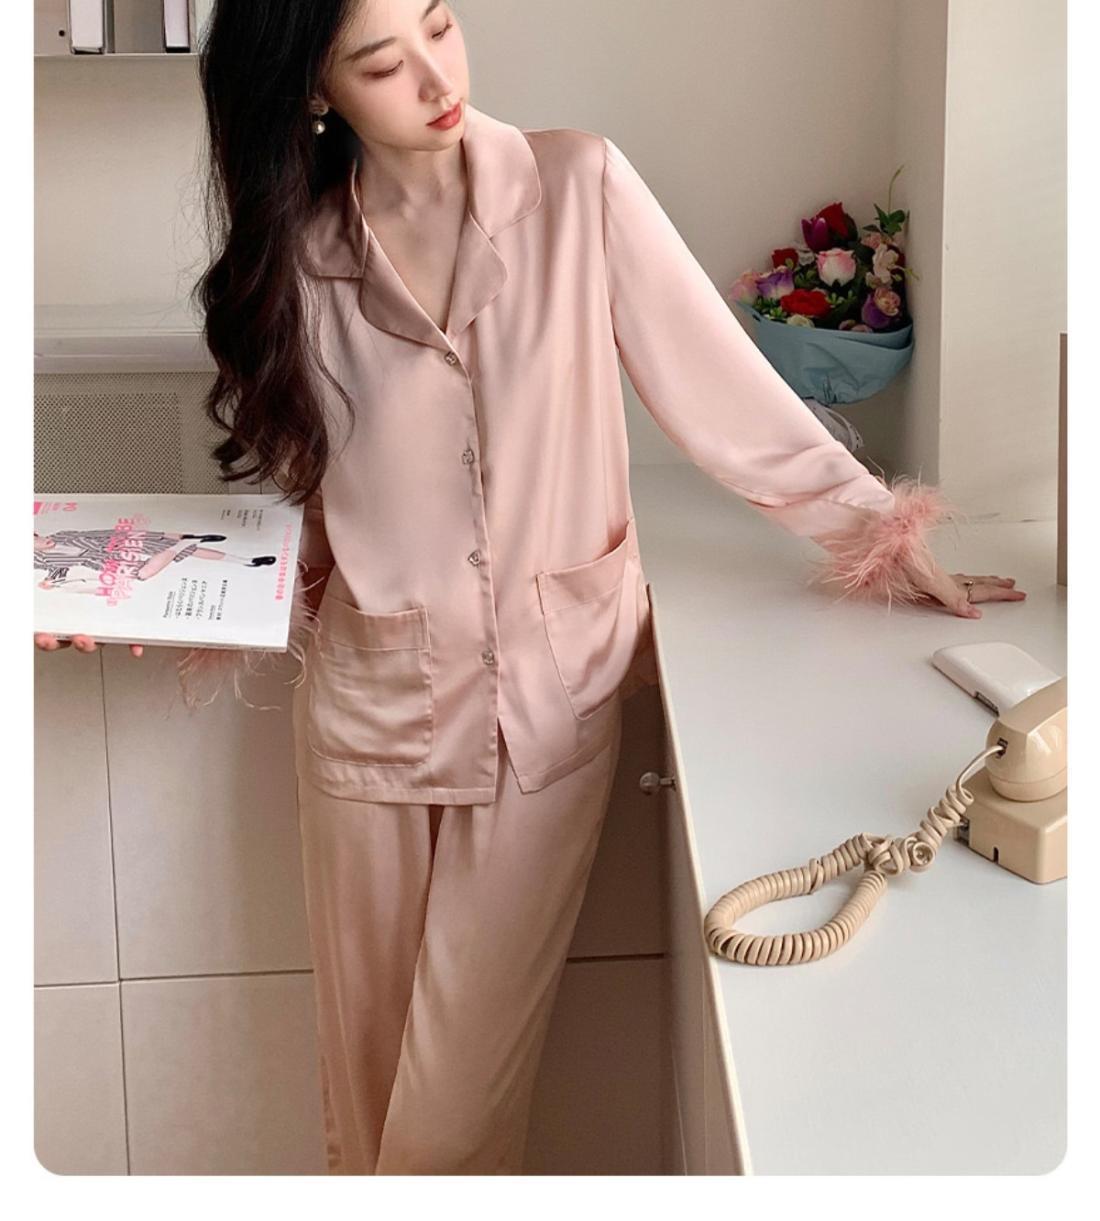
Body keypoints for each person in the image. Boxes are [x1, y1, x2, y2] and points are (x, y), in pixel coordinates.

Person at [34, 0, 1027, 1175]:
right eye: (381, 62)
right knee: (365, 1098)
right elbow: (313, 509)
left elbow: (723, 393)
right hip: (367, 714)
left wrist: (879, 536)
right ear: (315, 91)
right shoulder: (295, 256)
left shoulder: (575, 186)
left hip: (547, 703)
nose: (434, 78)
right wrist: (123, 594)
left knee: (448, 1130)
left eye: (439, 26)